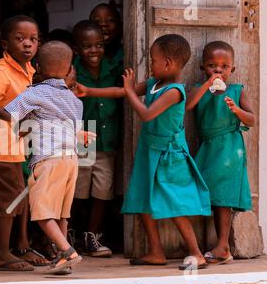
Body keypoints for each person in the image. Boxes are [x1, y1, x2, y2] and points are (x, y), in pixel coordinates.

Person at [76, 34, 211, 270]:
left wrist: (129, 90)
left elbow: (146, 114)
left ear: (168, 63)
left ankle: (196, 253)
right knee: (142, 200)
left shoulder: (174, 91)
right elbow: (120, 92)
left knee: (174, 204)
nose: (150, 65)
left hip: (169, 155)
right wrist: (89, 91)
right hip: (149, 151)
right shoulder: (153, 84)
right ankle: (156, 251)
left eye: (153, 60)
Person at [0, 41, 90, 274]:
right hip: (71, 159)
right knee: (62, 213)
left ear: (36, 68)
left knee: (42, 213)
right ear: (67, 70)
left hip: (47, 159)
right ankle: (63, 262)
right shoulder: (76, 101)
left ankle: (68, 252)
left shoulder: (34, 93)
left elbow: (9, 114)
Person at [0, 15, 39, 272]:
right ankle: (2, 253)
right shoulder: (0, 72)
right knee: (7, 201)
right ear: (5, 43)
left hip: (15, 148)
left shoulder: (31, 71)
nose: (28, 44)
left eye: (33, 39)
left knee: (4, 201)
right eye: (20, 38)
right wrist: (10, 120)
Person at [186, 41, 255, 264]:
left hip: (229, 148)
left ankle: (223, 245)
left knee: (223, 196)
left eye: (224, 66)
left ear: (232, 69)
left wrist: (236, 110)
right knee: (209, 193)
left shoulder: (237, 90)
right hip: (208, 147)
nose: (218, 70)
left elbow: (252, 120)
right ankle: (217, 246)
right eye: (212, 65)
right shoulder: (200, 88)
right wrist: (207, 84)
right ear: (202, 68)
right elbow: (188, 105)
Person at [71, 20, 118, 258]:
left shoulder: (113, 67)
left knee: (102, 191)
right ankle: (73, 235)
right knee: (78, 191)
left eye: (98, 45)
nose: (94, 50)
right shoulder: (72, 70)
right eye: (87, 46)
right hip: (83, 137)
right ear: (77, 48)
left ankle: (93, 236)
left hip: (107, 139)